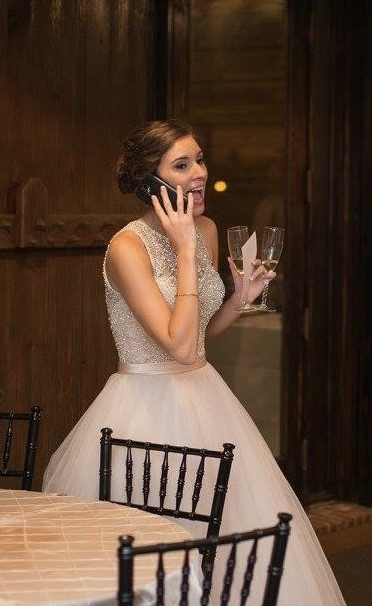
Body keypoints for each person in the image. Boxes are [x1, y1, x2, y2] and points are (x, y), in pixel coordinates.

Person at [43, 120, 346, 604]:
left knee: (222, 543)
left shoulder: (205, 230)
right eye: (181, 165)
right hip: (142, 410)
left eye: (200, 159)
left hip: (207, 398)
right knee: (154, 549)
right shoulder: (126, 248)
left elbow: (198, 338)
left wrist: (239, 300)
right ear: (150, 182)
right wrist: (184, 250)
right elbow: (175, 346)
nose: (199, 172)